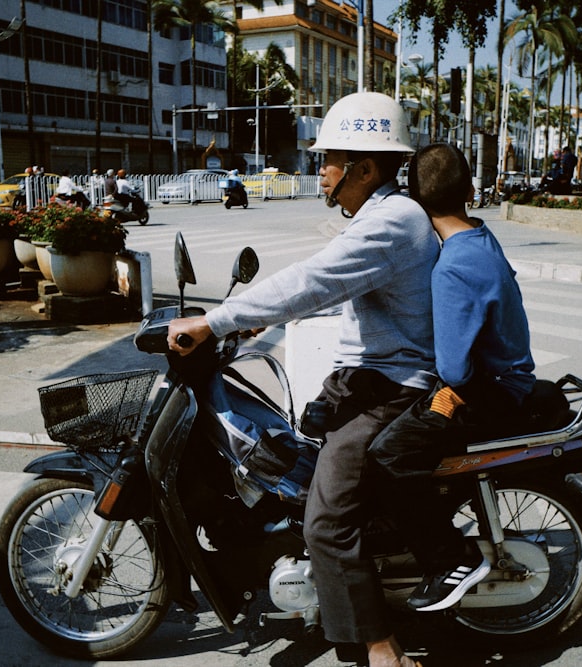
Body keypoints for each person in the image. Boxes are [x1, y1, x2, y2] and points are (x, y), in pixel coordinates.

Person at [166, 92, 439, 667]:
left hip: (393, 390)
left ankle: (380, 646)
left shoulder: (390, 223)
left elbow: (313, 279)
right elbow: (330, 289)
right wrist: (253, 318)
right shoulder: (381, 215)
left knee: (327, 519)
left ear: (364, 169)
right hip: (369, 379)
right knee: (292, 463)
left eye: (328, 161)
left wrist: (214, 321)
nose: (320, 172)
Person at [368, 142, 536, 613]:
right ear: (469, 189)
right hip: (509, 377)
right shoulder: (481, 237)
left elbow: (455, 371)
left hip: (489, 390)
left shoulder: (451, 268)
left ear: (416, 204)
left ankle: (448, 559)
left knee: (387, 454)